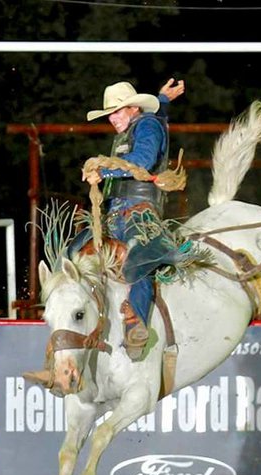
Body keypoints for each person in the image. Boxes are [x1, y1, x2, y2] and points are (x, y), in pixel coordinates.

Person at [75, 77, 186, 361]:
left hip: (139, 210)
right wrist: (161, 99)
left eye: (117, 111)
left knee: (142, 257)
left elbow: (144, 160)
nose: (112, 119)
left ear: (133, 109)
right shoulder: (140, 125)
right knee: (76, 250)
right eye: (109, 114)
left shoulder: (147, 126)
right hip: (115, 211)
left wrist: (105, 172)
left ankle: (135, 322)